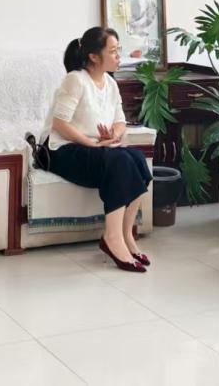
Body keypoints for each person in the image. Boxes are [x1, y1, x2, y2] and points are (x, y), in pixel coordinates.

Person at [46, 26, 152, 272]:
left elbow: (120, 121)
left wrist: (112, 135)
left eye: (118, 50)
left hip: (96, 148)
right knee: (119, 161)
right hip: (65, 149)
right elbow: (60, 123)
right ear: (94, 56)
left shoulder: (110, 83)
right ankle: (111, 238)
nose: (118, 56)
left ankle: (126, 234)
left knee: (137, 157)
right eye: (113, 51)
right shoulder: (76, 80)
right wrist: (93, 143)